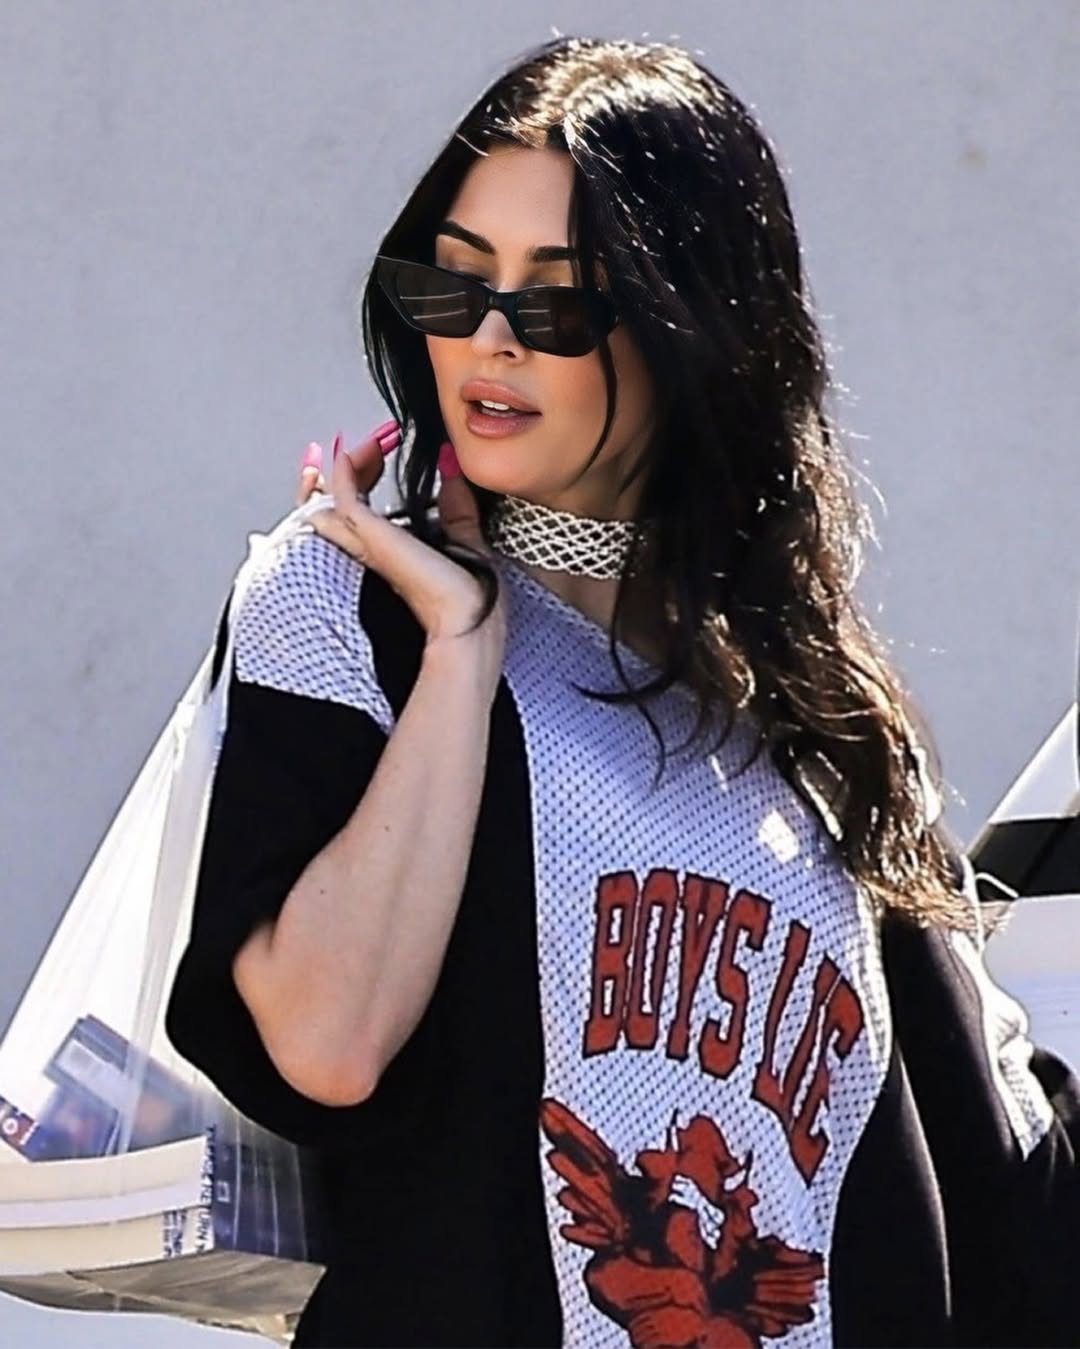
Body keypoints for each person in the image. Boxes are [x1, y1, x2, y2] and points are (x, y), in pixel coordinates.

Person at [164, 35, 1080, 1349]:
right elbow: (326, 1044)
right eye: (454, 283)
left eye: (556, 306)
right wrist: (462, 652)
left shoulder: (808, 701)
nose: (489, 341)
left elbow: (993, 1171)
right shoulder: (345, 603)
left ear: (689, 329)